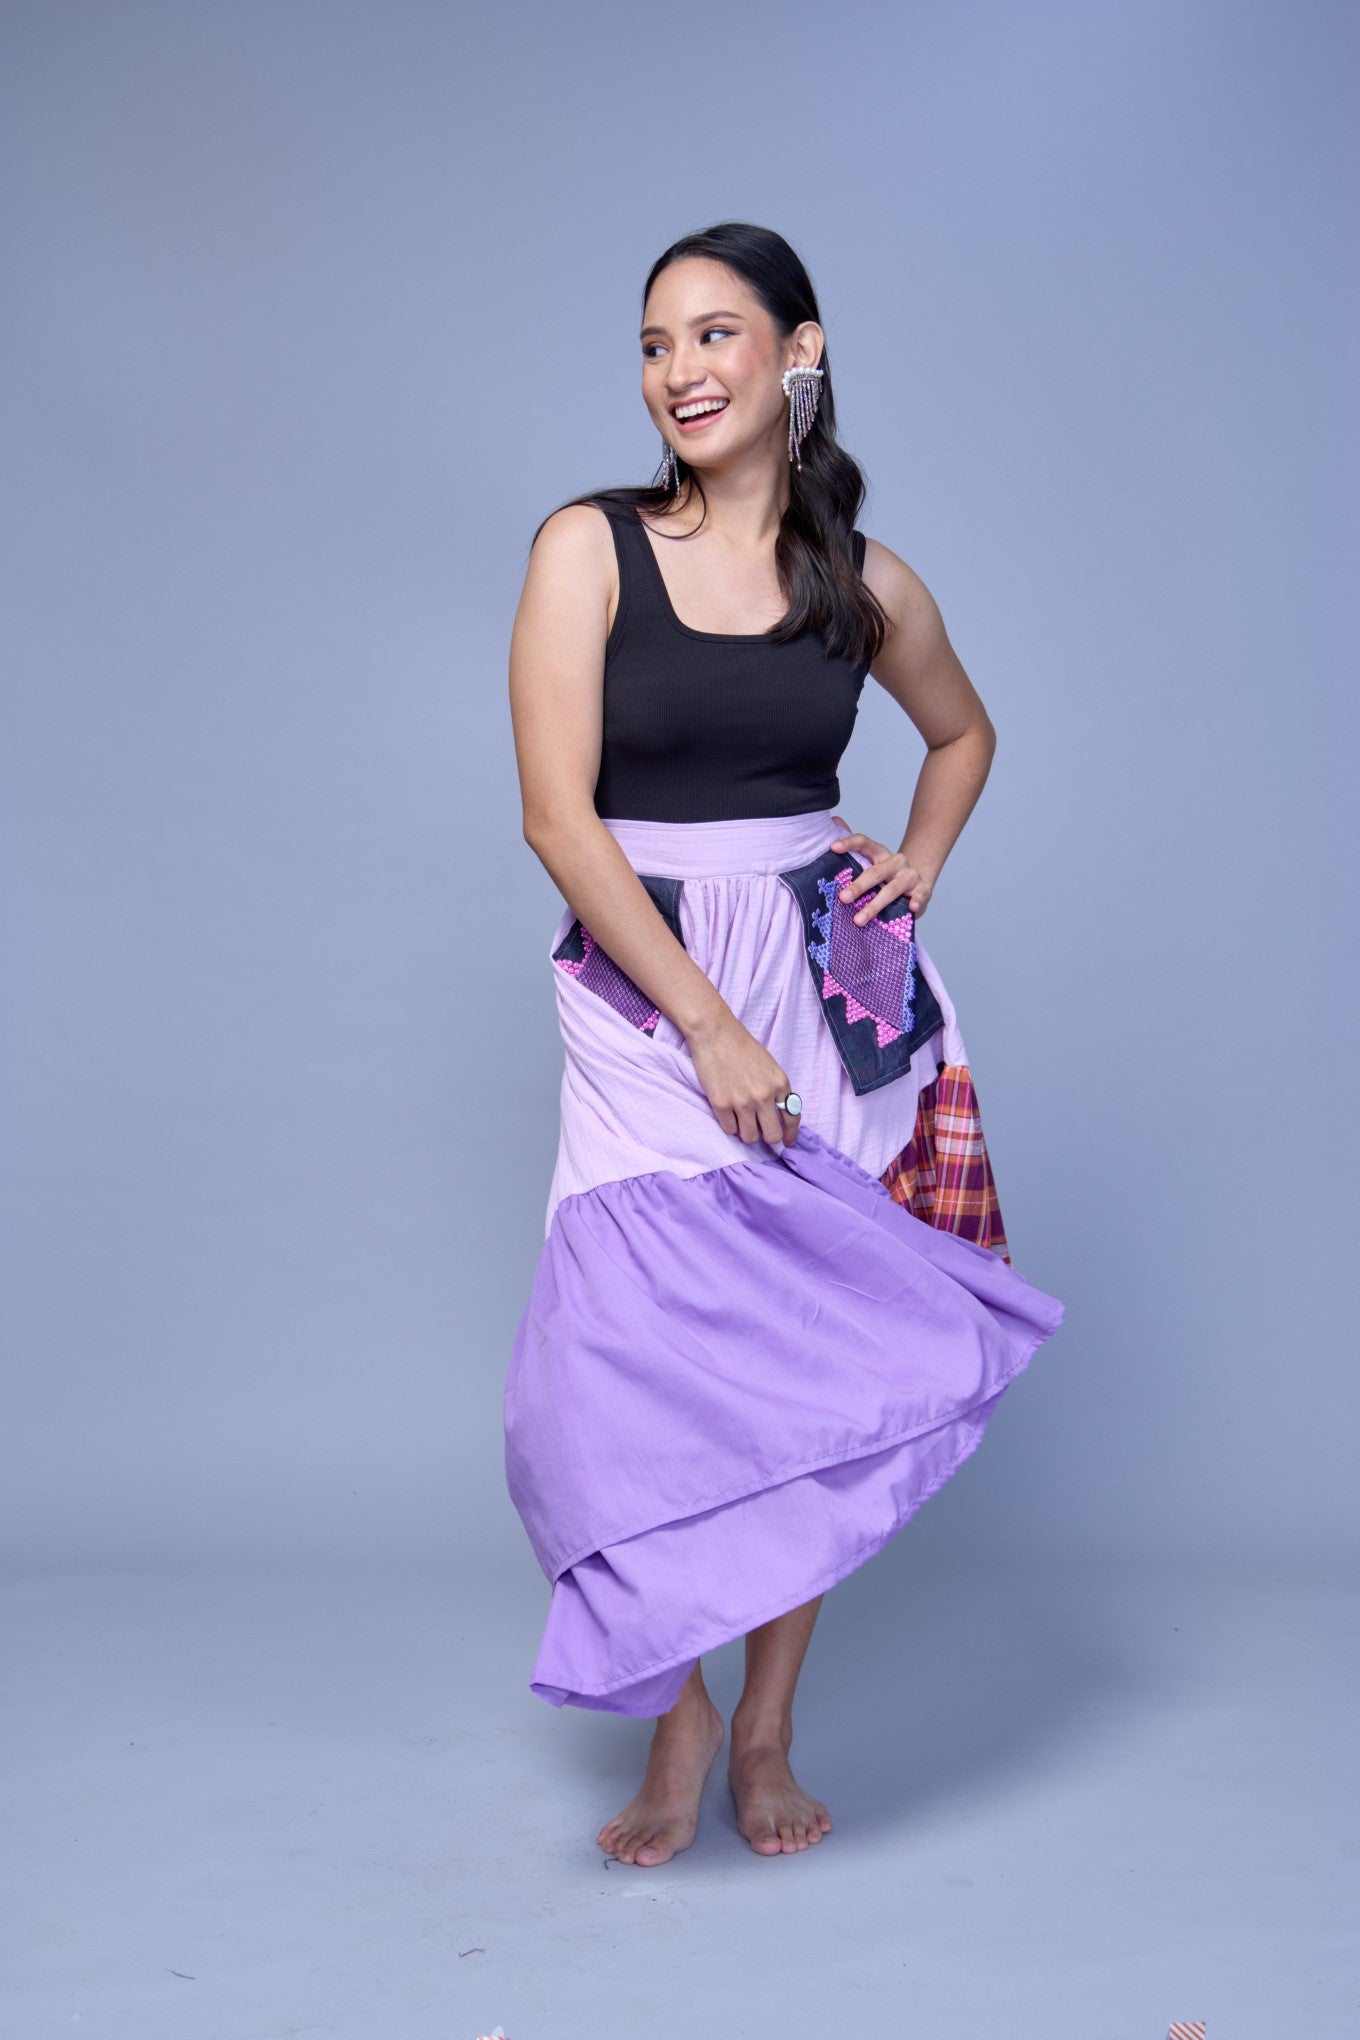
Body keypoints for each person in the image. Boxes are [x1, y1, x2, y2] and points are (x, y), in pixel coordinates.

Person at [503, 221, 1065, 1868]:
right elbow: (557, 817)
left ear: (797, 352)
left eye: (714, 334)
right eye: (654, 342)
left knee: (801, 1360)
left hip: (829, 979)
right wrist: (705, 1022)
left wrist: (917, 865)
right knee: (625, 1363)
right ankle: (674, 1715)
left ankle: (763, 1727)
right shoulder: (588, 547)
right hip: (652, 976)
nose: (678, 371)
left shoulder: (862, 582)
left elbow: (960, 733)